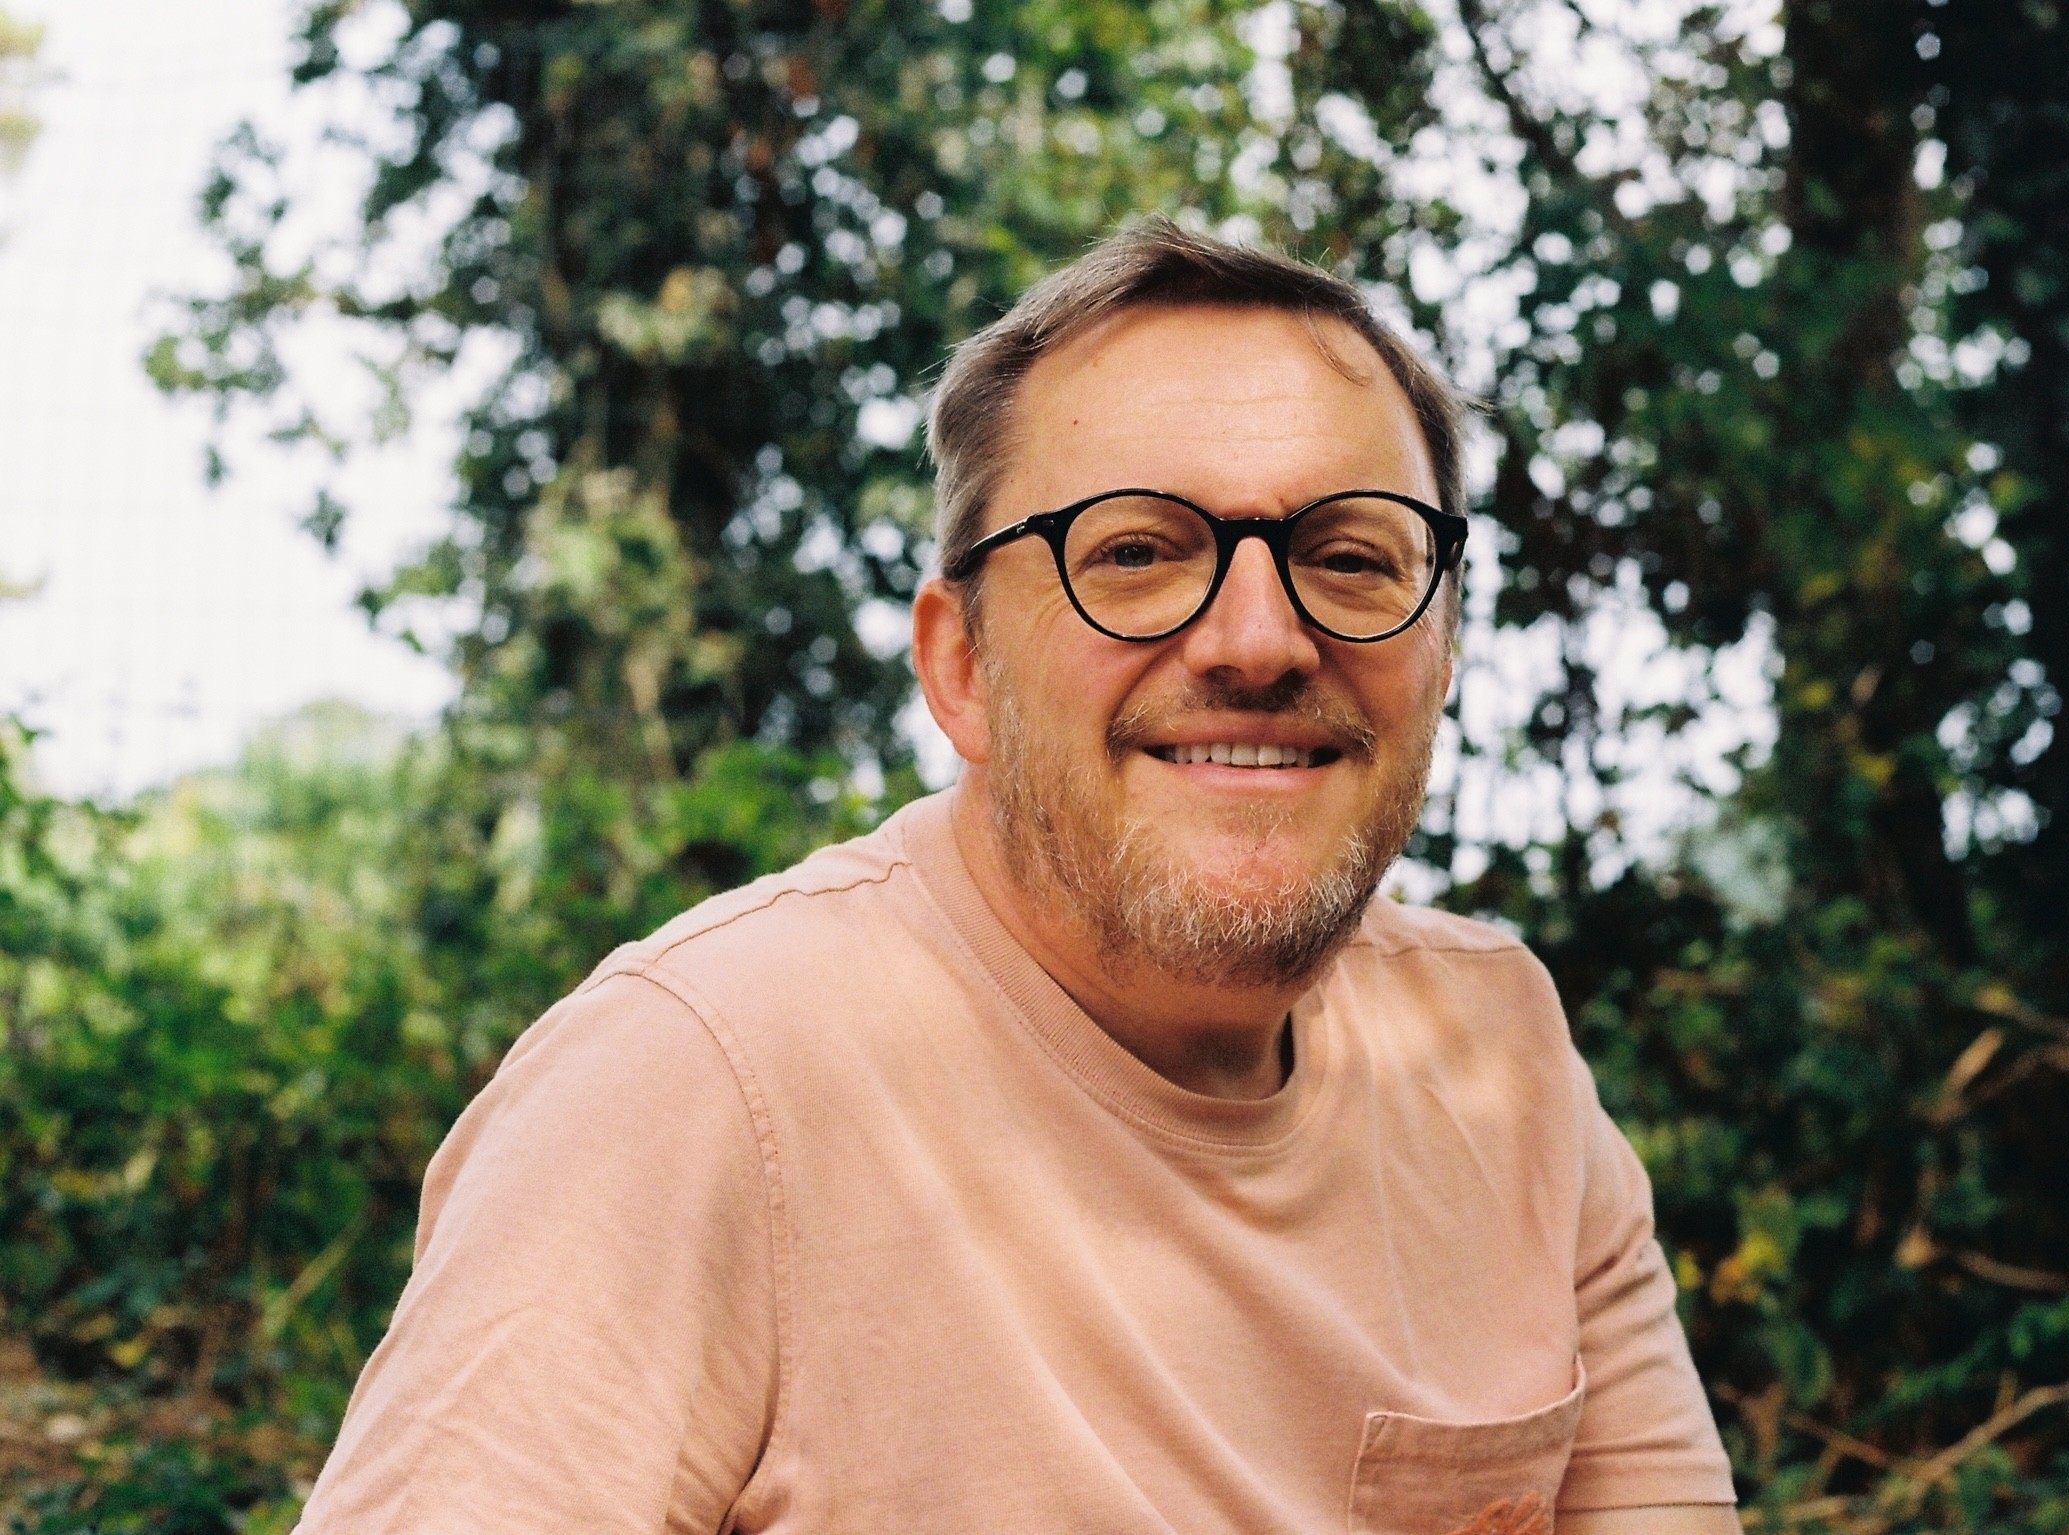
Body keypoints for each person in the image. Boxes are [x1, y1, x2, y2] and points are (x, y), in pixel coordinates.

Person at [295, 220, 1740, 1534]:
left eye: (1349, 557)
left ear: (1443, 649)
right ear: (962, 666)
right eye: (1136, 552)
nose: (1257, 639)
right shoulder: (703, 1083)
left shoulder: (1505, 1063)